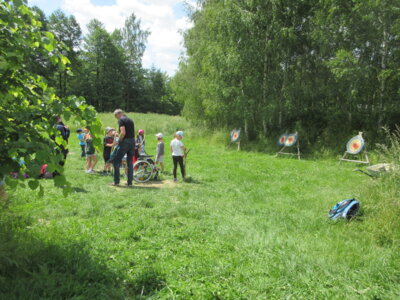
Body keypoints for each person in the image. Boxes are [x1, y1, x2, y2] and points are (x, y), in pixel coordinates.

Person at [112, 109, 135, 186]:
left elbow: (123, 132)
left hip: (125, 142)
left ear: (118, 114)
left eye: (116, 116)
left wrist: (119, 140)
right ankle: (130, 182)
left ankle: (116, 181)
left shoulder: (121, 120)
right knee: (130, 162)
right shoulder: (130, 120)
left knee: (116, 160)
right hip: (132, 141)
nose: (116, 118)